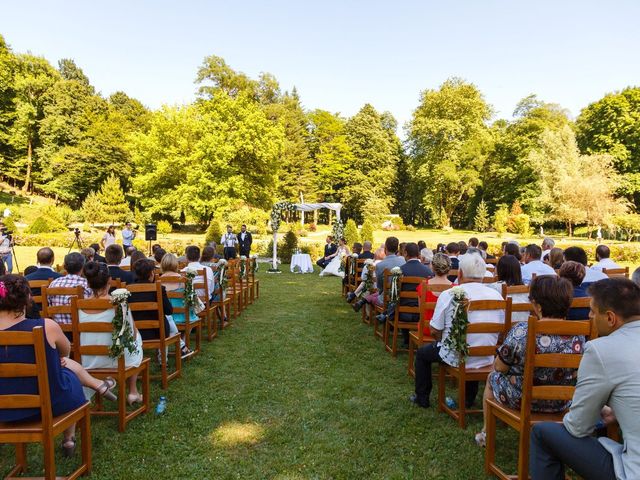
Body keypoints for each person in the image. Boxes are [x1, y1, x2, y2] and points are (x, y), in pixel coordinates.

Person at [529, 278, 640, 480]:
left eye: (592, 311)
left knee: (542, 433)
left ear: (610, 318)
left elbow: (578, 426)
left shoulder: (601, 349)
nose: (589, 315)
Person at [0, 274, 116, 456]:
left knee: (65, 373)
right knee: (69, 377)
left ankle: (96, 386)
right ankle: (69, 438)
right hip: (49, 404)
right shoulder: (46, 326)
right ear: (27, 298)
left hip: (4, 411)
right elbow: (64, 352)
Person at [475, 275, 584, 447]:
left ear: (538, 306)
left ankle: (486, 433)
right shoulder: (579, 335)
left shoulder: (522, 331)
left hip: (521, 400)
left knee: (491, 378)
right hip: (561, 402)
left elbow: (499, 367)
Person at [411, 253, 505, 409]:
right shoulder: (497, 296)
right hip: (487, 358)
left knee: (422, 354)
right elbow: (501, 332)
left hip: (456, 356)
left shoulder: (450, 294)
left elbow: (434, 329)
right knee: (474, 346)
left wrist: (443, 339)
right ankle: (467, 400)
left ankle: (422, 398)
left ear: (460, 273)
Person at [78, 262, 144, 404]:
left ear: (88, 284)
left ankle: (109, 382)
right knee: (137, 337)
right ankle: (133, 391)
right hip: (114, 361)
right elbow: (130, 335)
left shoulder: (78, 305)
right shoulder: (119, 303)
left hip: (89, 361)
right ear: (109, 281)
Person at [376, 243, 434, 344]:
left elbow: (393, 296)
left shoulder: (400, 271)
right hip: (421, 313)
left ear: (406, 253)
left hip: (402, 314)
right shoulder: (428, 272)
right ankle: (408, 338)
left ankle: (388, 317)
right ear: (419, 254)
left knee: (396, 302)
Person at [352, 236, 405, 311]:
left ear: (385, 249)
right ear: (397, 249)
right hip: (401, 294)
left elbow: (379, 286)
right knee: (376, 294)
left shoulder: (380, 265)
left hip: (387, 298)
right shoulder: (402, 260)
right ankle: (362, 302)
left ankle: (362, 302)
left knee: (376, 294)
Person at [129, 259, 173, 341]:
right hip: (158, 332)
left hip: (135, 332)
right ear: (151, 273)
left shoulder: (127, 289)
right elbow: (169, 311)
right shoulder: (159, 288)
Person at [159, 254, 193, 356]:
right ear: (175, 265)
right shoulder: (183, 280)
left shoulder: (157, 281)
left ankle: (180, 344)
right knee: (193, 315)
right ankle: (182, 343)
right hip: (181, 317)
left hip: (164, 317)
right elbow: (190, 300)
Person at [47, 252, 92, 327]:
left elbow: (49, 304)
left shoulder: (54, 283)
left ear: (64, 267)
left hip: (58, 330)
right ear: (83, 267)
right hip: (80, 330)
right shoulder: (87, 284)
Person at [488, 254, 529, 322]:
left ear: (500, 270)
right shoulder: (528, 288)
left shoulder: (493, 287)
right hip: (524, 327)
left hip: (502, 327)